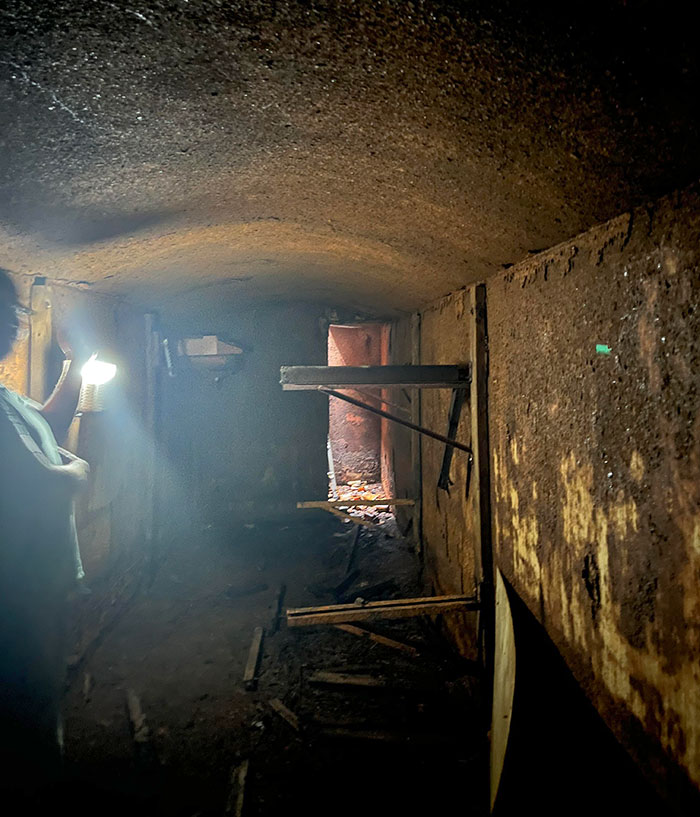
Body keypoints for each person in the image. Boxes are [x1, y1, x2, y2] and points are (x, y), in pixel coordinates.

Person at [0, 267, 91, 800]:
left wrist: (76, 360)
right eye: (6, 314)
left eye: (14, 313)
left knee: (39, 699)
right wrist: (78, 470)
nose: (14, 324)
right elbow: (46, 486)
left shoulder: (4, 396)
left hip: (34, 584)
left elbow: (48, 424)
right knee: (26, 710)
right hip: (14, 595)